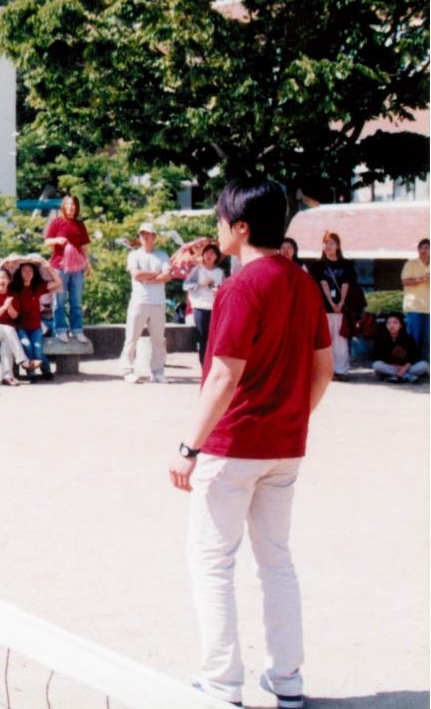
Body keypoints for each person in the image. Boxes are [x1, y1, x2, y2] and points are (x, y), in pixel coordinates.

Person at [169, 178, 333, 709]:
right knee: (276, 561)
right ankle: (287, 680)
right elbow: (323, 369)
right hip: (285, 446)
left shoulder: (241, 287)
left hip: (233, 443)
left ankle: (221, 683)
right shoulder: (303, 282)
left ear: (240, 228)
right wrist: (292, 417)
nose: (217, 228)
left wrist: (189, 447)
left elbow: (224, 375)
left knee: (211, 561)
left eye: (220, 219)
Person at [120, 222, 172, 384]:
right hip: (139, 301)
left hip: (158, 303)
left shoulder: (163, 255)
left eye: (148, 234)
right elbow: (136, 275)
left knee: (158, 339)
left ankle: (157, 371)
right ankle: (127, 369)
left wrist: (149, 277)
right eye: (142, 234)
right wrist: (156, 275)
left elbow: (167, 276)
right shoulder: (133, 255)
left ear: (154, 237)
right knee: (132, 337)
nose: (145, 237)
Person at [44, 194, 92, 344]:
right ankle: (61, 330)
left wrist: (88, 264)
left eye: (74, 205)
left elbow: (84, 246)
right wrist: (57, 240)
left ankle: (77, 330)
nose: (71, 207)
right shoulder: (56, 222)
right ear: (63, 206)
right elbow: (47, 241)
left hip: (76, 267)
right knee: (59, 302)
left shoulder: (80, 224)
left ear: (76, 207)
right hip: (59, 266)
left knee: (76, 302)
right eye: (68, 204)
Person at [309, 231, 356, 380]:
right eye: (326, 243)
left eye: (332, 243)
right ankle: (324, 371)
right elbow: (323, 284)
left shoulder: (347, 264)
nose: (328, 246)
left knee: (341, 340)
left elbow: (346, 284)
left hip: (342, 309)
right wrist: (331, 303)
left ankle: (341, 370)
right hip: (324, 308)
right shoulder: (318, 265)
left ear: (338, 245)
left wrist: (341, 303)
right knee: (325, 340)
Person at [0, 267, 38, 386]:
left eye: (4, 278)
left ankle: (7, 377)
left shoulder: (12, 295)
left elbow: (14, 316)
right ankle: (23, 360)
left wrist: (9, 306)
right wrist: (4, 307)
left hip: (7, 333)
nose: (1, 280)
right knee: (8, 329)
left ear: (9, 280)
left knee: (6, 343)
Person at [12, 260, 59, 381]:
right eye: (24, 270)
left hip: (35, 327)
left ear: (34, 273)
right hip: (21, 327)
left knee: (37, 348)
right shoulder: (14, 288)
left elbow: (58, 282)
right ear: (20, 273)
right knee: (27, 345)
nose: (27, 273)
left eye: (30, 270)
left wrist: (49, 268)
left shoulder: (38, 286)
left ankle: (46, 370)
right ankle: (31, 373)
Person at [183, 243, 226, 366]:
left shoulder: (220, 272)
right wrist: (201, 284)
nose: (209, 255)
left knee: (214, 338)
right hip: (200, 308)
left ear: (216, 257)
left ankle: (213, 365)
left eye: (212, 253)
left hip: (215, 309)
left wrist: (218, 291)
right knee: (203, 338)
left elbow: (223, 289)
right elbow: (186, 285)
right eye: (207, 253)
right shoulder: (197, 270)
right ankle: (204, 365)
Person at [371, 315, 428, 383]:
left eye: (395, 322)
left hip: (406, 368)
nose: (391, 325)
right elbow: (376, 356)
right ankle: (407, 376)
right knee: (377, 365)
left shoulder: (408, 339)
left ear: (401, 325)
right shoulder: (380, 339)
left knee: (424, 365)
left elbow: (414, 356)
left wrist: (404, 367)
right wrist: (393, 365)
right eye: (388, 323)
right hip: (390, 367)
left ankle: (393, 376)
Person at [400, 238, 429, 361]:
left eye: (427, 247)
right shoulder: (410, 264)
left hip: (429, 308)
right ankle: (411, 366)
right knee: (414, 339)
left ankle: (425, 368)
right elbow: (405, 281)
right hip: (414, 307)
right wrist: (422, 279)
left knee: (428, 340)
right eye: (421, 247)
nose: (424, 250)